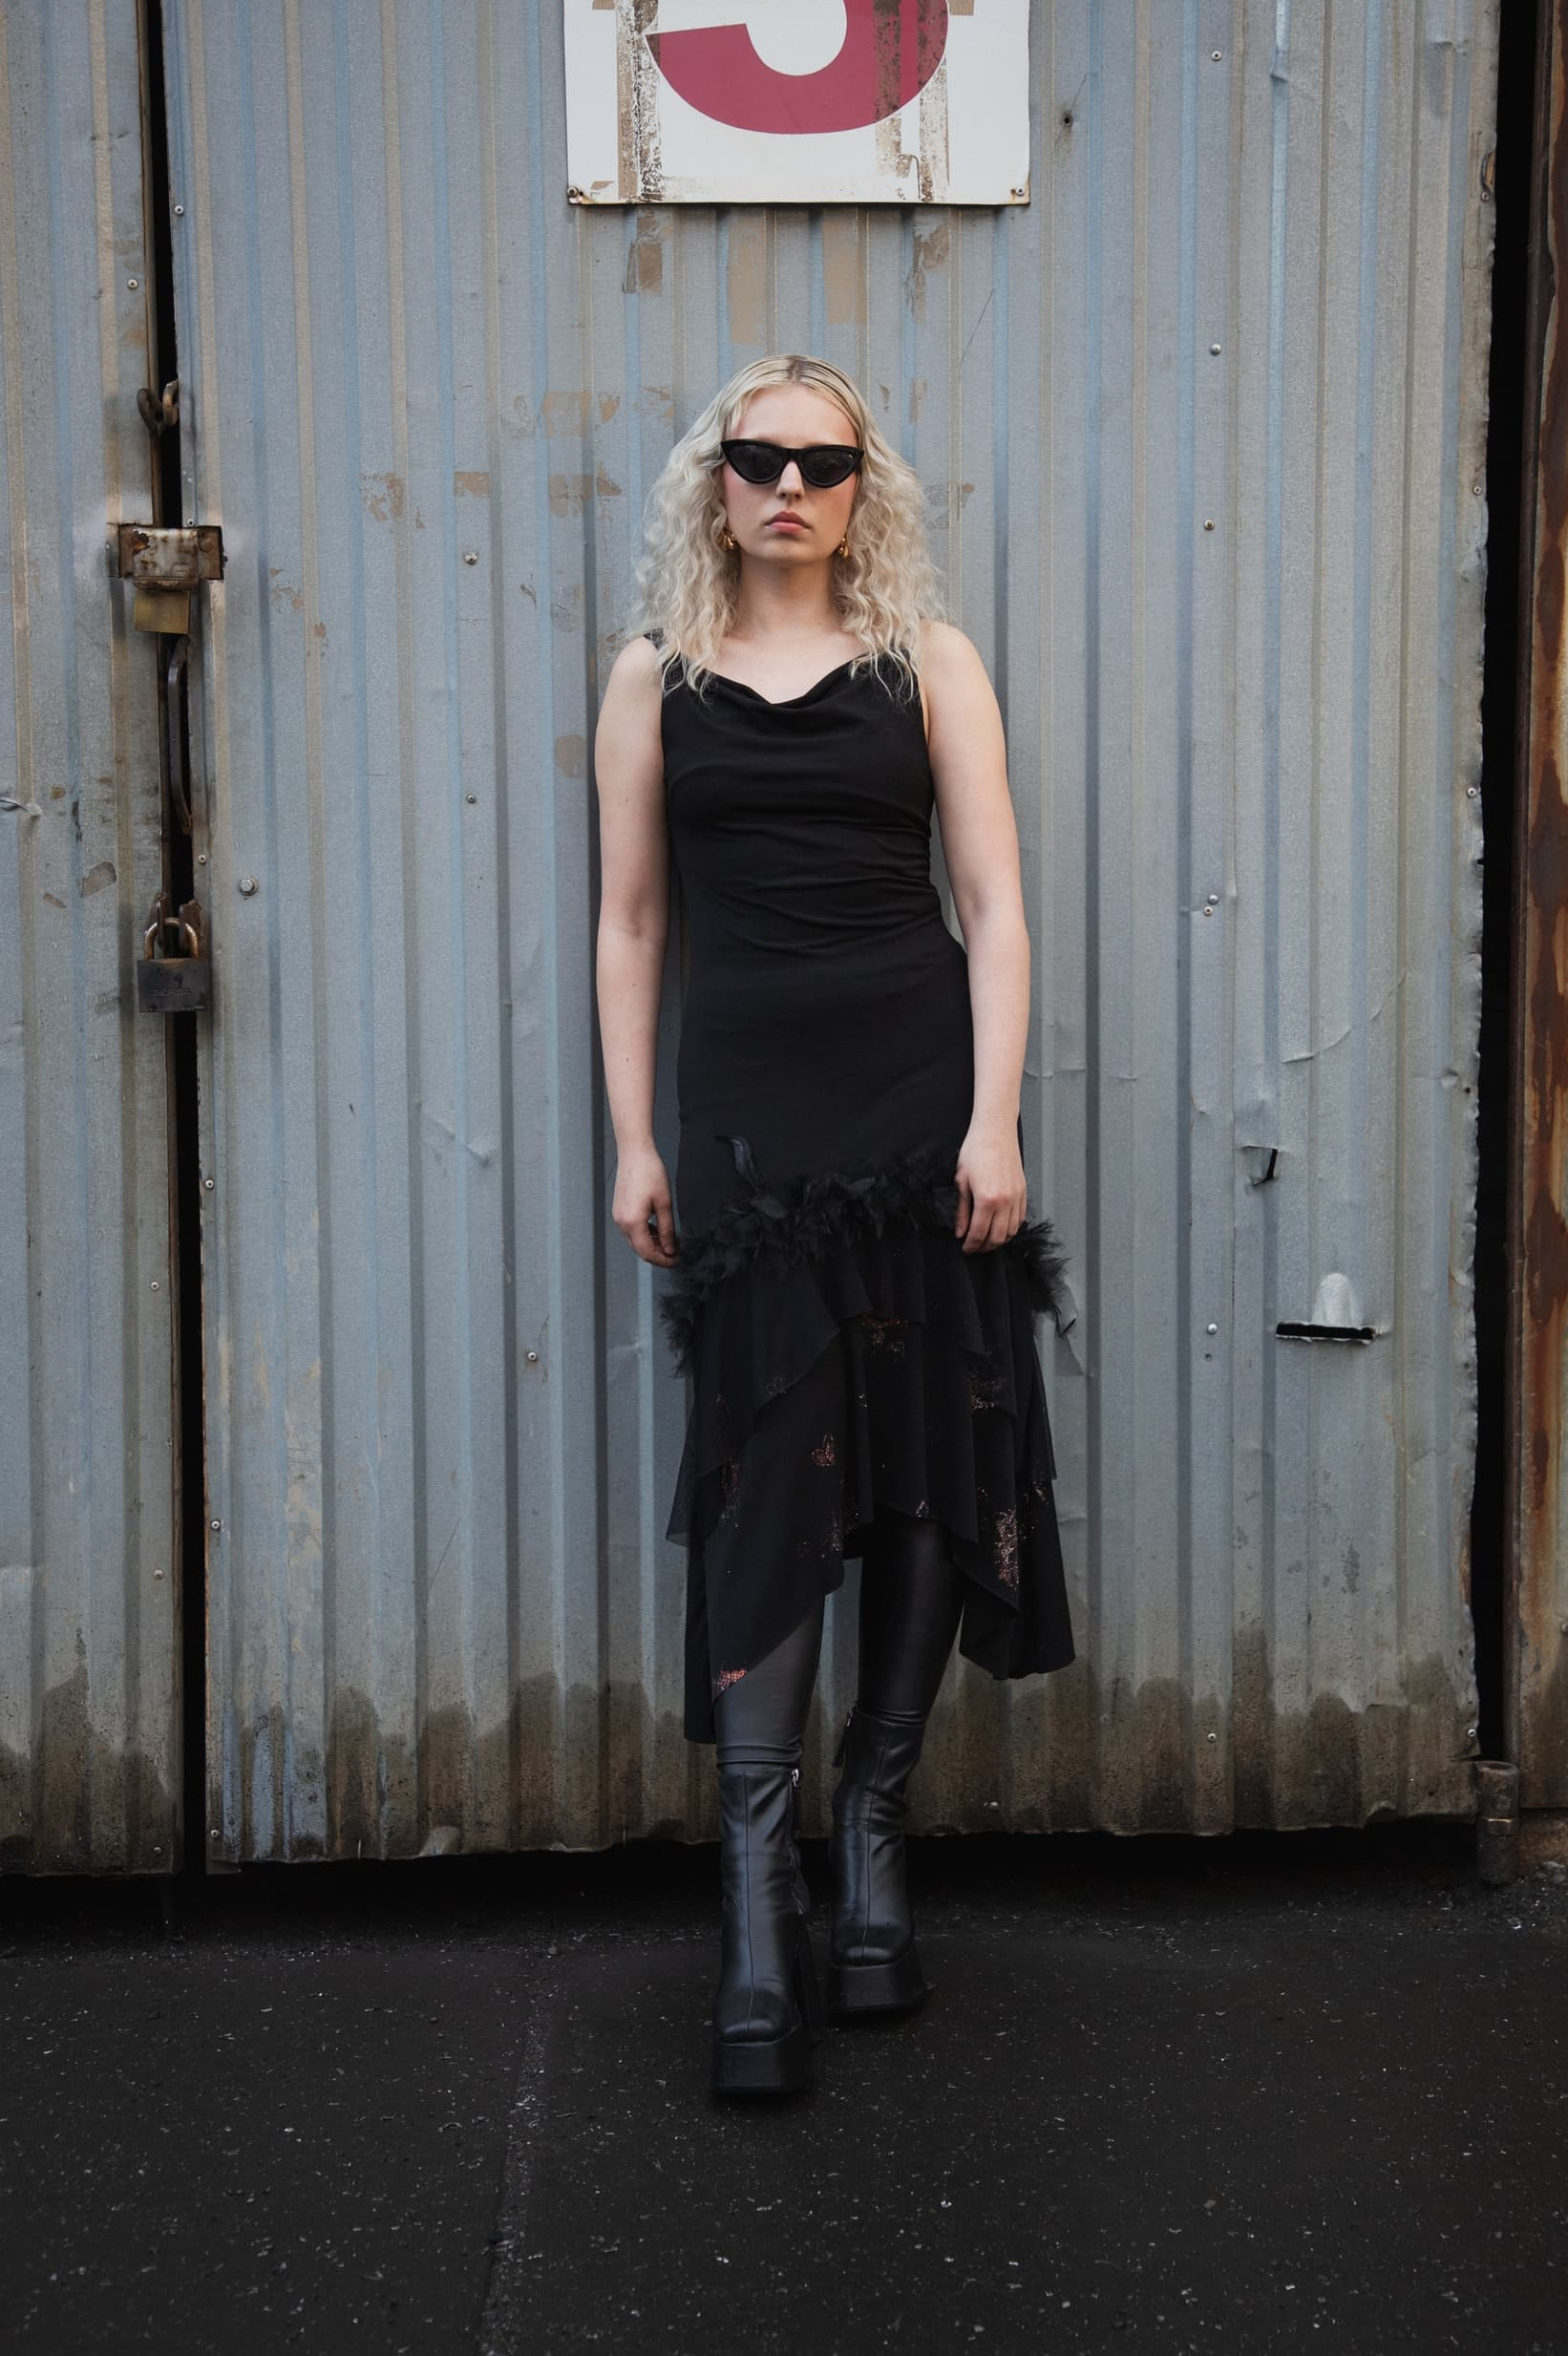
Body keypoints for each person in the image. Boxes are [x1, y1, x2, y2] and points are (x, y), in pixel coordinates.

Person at [592, 352, 1075, 2098]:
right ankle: (755, 1899)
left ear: (866, 488)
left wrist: (992, 1117)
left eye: (822, 461)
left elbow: (994, 906)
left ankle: (872, 1844)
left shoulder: (927, 660)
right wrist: (636, 1139)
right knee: (768, 1478)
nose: (788, 486)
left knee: (932, 1459)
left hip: (914, 1092)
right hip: (746, 1114)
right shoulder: (653, 674)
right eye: (758, 457)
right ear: (713, 480)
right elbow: (631, 923)